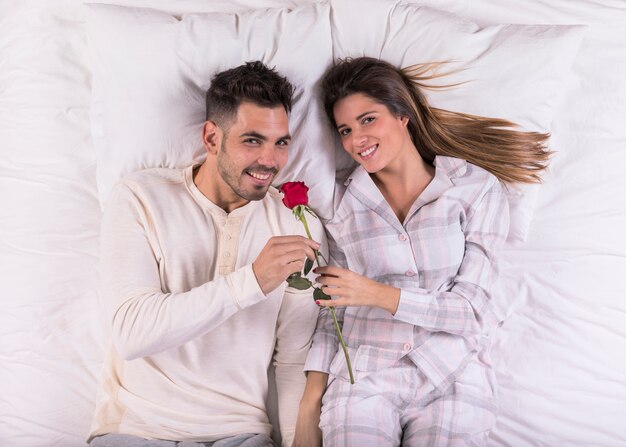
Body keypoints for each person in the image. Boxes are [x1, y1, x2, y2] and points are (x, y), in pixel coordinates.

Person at [293, 57, 550, 446]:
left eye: (368, 119)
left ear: (403, 116)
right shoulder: (343, 203)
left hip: (453, 374)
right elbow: (335, 315)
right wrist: (309, 404)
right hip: (365, 378)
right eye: (345, 129)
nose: (355, 139)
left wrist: (378, 295)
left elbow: (473, 310)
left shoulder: (474, 189)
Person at [87, 61, 327, 447]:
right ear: (212, 138)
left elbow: (293, 362)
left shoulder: (298, 225)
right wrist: (251, 281)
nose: (270, 161)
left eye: (281, 142)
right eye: (252, 140)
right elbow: (132, 332)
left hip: (241, 433)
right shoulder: (140, 197)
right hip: (137, 429)